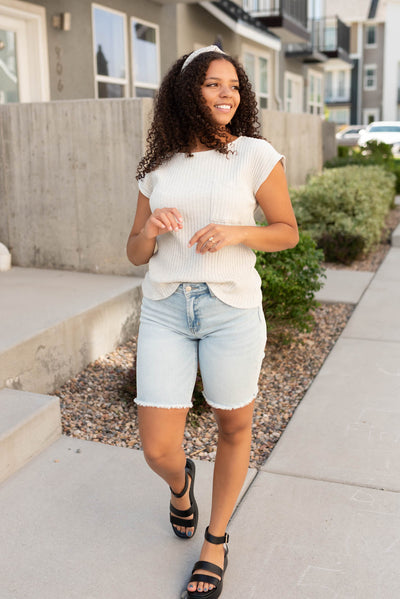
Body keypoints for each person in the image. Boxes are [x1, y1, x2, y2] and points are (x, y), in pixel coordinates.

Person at [126, 45, 299, 599]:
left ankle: (216, 540)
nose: (228, 95)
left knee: (233, 426)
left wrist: (238, 231)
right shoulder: (158, 167)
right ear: (186, 92)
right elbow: (134, 252)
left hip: (231, 309)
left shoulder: (253, 154)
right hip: (166, 308)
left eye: (234, 86)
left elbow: (286, 230)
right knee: (157, 447)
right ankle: (181, 486)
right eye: (212, 84)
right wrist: (149, 228)